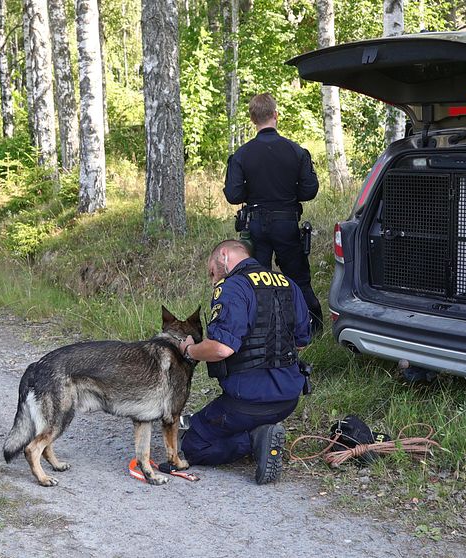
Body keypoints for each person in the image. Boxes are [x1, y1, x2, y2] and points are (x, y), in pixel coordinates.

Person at [177, 240, 311, 484]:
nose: (213, 280)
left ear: (224, 255)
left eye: (212, 272)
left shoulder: (233, 286)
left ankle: (256, 439)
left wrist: (189, 350)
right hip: (287, 399)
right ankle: (262, 432)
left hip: (247, 401)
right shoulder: (288, 284)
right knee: (217, 420)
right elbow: (301, 341)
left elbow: (221, 348)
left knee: (193, 444)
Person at [223, 93, 323, 334]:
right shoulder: (296, 151)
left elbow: (233, 195)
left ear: (252, 119)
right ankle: (313, 327)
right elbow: (310, 190)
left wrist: (252, 192)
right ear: (275, 115)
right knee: (298, 278)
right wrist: (289, 193)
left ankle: (260, 330)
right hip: (286, 222)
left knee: (256, 279)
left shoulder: (242, 154)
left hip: (256, 224)